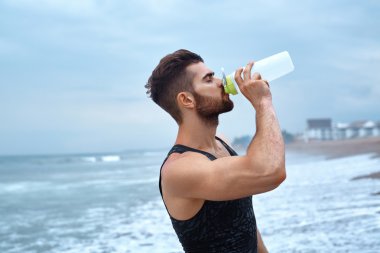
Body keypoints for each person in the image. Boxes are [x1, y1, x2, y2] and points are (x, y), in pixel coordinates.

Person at [145, 49, 286, 253]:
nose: (221, 82)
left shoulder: (220, 144)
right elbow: (271, 171)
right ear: (187, 100)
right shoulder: (179, 170)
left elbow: (244, 221)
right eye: (209, 79)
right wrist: (263, 102)